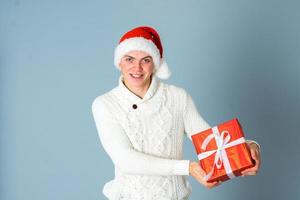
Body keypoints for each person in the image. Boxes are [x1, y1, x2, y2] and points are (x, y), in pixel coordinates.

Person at [91, 26, 261, 200]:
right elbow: (125, 160)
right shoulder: (105, 104)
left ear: (155, 64)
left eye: (146, 60)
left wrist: (248, 147)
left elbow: (210, 140)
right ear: (119, 62)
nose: (137, 68)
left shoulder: (177, 97)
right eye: (129, 59)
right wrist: (187, 168)